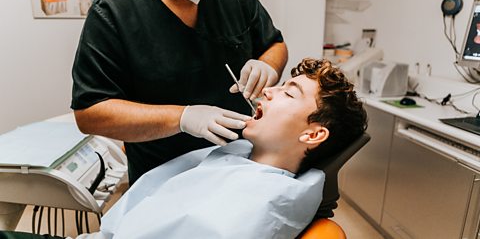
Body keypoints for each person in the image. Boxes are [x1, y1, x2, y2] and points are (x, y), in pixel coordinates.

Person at [0, 58, 367, 239]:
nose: (268, 89)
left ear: (313, 135)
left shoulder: (258, 204)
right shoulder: (237, 156)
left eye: (288, 92)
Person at [70, 0, 288, 187]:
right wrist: (182, 118)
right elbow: (90, 112)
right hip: (163, 180)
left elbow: (274, 44)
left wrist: (267, 66)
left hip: (237, 165)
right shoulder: (114, 9)